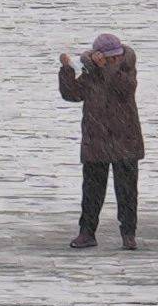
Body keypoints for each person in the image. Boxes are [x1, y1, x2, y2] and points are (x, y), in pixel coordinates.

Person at [62, 30, 145, 249]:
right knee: (91, 191)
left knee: (127, 192)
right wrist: (67, 70)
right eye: (110, 58)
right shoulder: (90, 74)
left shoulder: (127, 69)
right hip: (96, 140)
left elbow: (124, 88)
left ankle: (128, 234)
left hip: (125, 139)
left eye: (116, 57)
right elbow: (71, 94)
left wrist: (106, 68)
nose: (114, 60)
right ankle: (87, 232)